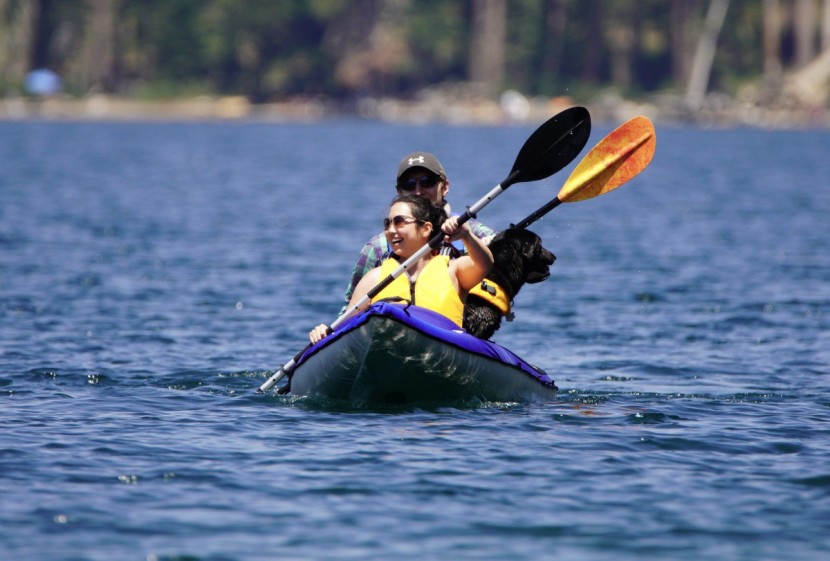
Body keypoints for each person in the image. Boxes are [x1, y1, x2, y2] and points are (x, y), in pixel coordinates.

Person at [310, 194, 494, 343]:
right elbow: (344, 329)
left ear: (426, 228)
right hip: (388, 352)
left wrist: (467, 236)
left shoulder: (453, 270)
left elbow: (485, 263)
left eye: (399, 222)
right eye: (387, 223)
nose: (390, 230)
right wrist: (323, 332)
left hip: (442, 354)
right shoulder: (374, 278)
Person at [341, 151, 495, 314]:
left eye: (427, 182)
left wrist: (472, 240)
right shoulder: (378, 248)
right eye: (409, 184)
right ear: (399, 191)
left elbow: (497, 264)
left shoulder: (474, 232)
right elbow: (349, 310)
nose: (418, 191)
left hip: (462, 326)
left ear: (445, 187)